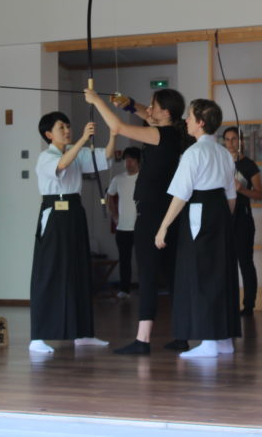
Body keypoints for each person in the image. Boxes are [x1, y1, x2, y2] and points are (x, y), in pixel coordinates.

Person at [84, 87, 191, 355]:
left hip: (153, 213)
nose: (149, 110)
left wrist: (97, 100)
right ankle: (182, 335)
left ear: (166, 112)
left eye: (154, 106)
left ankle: (143, 340)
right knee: (170, 273)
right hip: (168, 212)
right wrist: (129, 103)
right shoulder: (174, 130)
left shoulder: (160, 134)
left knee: (147, 273)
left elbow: (118, 127)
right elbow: (147, 114)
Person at [155, 99, 240, 358]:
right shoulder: (224, 153)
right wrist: (223, 220)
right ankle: (224, 339)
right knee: (220, 273)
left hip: (200, 213)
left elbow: (181, 195)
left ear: (201, 122)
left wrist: (163, 228)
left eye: (190, 117)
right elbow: (231, 195)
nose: (187, 121)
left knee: (201, 274)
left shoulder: (194, 153)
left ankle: (209, 342)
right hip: (221, 212)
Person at [30, 111, 115, 353]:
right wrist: (81, 139)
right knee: (50, 272)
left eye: (68, 126)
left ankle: (83, 333)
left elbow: (106, 156)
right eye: (61, 128)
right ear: (49, 134)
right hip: (54, 214)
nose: (67, 130)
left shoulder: (77, 154)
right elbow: (63, 163)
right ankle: (38, 336)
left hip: (74, 212)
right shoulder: (46, 157)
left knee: (79, 269)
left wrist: (114, 133)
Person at [222, 126, 262, 316]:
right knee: (225, 262)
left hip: (243, 218)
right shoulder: (220, 163)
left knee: (245, 262)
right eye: (227, 139)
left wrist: (241, 189)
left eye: (234, 139)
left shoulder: (248, 165)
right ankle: (228, 303)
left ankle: (248, 305)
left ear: (240, 142)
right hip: (223, 218)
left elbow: (259, 194)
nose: (230, 143)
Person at [107, 146, 141, 298]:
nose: (128, 163)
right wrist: (114, 215)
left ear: (138, 162)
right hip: (122, 227)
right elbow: (109, 197)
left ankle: (145, 289)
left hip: (140, 227)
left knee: (144, 260)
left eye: (131, 160)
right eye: (126, 160)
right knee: (124, 260)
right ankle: (124, 289)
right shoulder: (118, 179)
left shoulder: (143, 178)